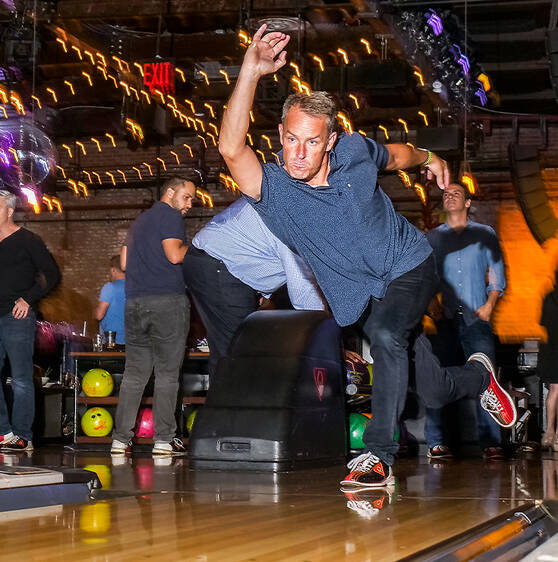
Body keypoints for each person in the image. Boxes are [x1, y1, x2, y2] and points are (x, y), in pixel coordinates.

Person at [218, 25, 516, 489]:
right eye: (292, 139)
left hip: (411, 265)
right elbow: (230, 147)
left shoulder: (355, 151)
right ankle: (483, 378)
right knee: (434, 390)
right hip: (363, 297)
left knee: (384, 332)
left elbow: (396, 156)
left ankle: (376, 457)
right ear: (280, 134)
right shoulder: (273, 190)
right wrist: (250, 71)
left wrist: (428, 156)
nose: (299, 153)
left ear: (330, 141)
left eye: (312, 142)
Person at [183, 196, 326, 377]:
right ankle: (229, 404)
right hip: (219, 264)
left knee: (241, 347)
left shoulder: (297, 200)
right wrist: (327, 341)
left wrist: (263, 293)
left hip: (224, 266)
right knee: (238, 349)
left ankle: (233, 401)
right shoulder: (296, 213)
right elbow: (304, 291)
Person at [110, 176, 196, 457]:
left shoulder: (138, 222)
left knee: (135, 374)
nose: (189, 204)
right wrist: (199, 250)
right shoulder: (169, 216)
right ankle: (163, 440)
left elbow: (123, 263)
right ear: (170, 193)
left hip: (135, 303)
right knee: (168, 374)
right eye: (186, 197)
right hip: (167, 302)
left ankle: (120, 440)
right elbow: (174, 255)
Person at [424, 183, 507, 460]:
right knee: (436, 379)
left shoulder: (485, 234)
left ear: (468, 202)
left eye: (456, 194)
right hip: (445, 319)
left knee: (486, 379)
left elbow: (497, 273)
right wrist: (431, 304)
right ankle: (436, 442)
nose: (449, 197)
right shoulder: (433, 238)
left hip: (476, 319)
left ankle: (491, 443)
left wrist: (489, 306)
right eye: (446, 194)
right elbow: (426, 277)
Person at [0, 190, 60, 452]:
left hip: (17, 318)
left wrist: (28, 300)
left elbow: (52, 275)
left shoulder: (29, 240)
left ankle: (23, 435)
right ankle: (1, 431)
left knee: (22, 378)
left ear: (9, 212)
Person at [538, 268, 558, 451]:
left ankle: (549, 432)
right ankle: (556, 435)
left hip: (550, 348)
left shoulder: (547, 296)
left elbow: (542, 323)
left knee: (554, 390)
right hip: (553, 347)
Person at [96, 254, 126, 346]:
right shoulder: (136, 287)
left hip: (112, 342)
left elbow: (99, 315)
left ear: (113, 270)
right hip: (132, 342)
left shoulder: (110, 287)